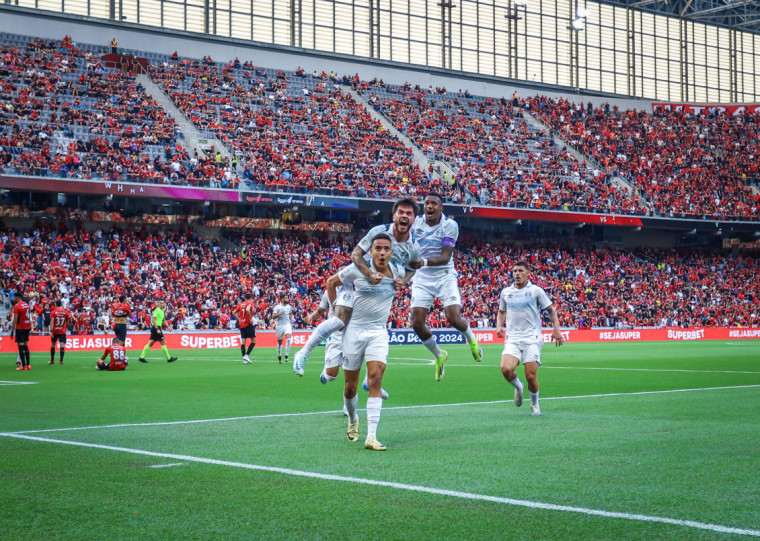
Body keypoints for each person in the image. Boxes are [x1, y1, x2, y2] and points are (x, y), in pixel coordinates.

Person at [293, 197, 419, 380]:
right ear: (394, 216)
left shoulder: (414, 246)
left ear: (414, 218)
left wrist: (403, 280)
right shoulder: (379, 231)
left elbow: (412, 269)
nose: (404, 216)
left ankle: (370, 380)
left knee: (375, 330)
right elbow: (356, 254)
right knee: (340, 319)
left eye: (409, 213)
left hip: (380, 290)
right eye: (401, 212)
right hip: (358, 280)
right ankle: (304, 353)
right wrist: (368, 274)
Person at [326, 233, 408, 450]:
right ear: (370, 251)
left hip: (379, 332)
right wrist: (338, 313)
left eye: (386, 249)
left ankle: (371, 436)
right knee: (350, 388)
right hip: (354, 331)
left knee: (375, 379)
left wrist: (403, 282)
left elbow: (412, 271)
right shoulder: (356, 270)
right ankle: (353, 418)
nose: (382, 252)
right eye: (378, 248)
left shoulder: (398, 270)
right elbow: (331, 282)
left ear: (392, 252)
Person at [409, 192, 483, 381]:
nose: (429, 206)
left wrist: (423, 262)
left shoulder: (450, 225)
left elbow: (445, 257)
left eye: (434, 203)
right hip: (422, 277)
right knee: (416, 323)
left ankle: (472, 339)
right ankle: (439, 355)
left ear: (441, 208)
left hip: (444, 275)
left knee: (453, 318)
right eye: (427, 203)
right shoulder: (415, 223)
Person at [496, 261, 564, 417]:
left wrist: (557, 330)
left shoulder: (536, 291)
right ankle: (519, 387)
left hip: (532, 339)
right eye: (514, 271)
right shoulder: (506, 292)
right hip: (512, 339)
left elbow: (551, 310)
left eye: (520, 271)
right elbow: (501, 312)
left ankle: (534, 404)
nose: (517, 274)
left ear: (528, 273)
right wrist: (499, 326)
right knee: (506, 369)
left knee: (531, 376)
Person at [11, 293, 32, 371]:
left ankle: (23, 366)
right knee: (26, 346)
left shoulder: (17, 306)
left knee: (20, 347)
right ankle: (28, 364)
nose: (13, 298)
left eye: (14, 297)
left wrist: (12, 330)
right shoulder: (26, 305)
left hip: (20, 328)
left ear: (18, 297)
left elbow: (15, 319)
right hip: (27, 327)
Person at [272, 294, 293, 364]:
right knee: (280, 342)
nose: (288, 299)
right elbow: (273, 316)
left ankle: (286, 355)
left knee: (289, 339)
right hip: (279, 325)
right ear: (282, 299)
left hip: (287, 324)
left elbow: (290, 313)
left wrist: (292, 318)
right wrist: (280, 314)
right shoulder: (277, 307)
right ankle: (279, 355)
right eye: (286, 298)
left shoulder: (289, 306)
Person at [235, 293, 256, 364]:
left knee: (243, 341)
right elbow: (247, 310)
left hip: (241, 324)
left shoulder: (241, 304)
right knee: (253, 341)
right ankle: (246, 355)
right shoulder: (250, 303)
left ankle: (244, 359)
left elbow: (234, 312)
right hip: (247, 323)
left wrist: (239, 319)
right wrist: (250, 318)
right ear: (250, 298)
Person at [49, 300, 70, 365]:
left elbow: (52, 322)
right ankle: (61, 361)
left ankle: (52, 360)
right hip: (62, 331)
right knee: (62, 345)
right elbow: (67, 323)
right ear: (61, 304)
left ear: (55, 304)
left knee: (53, 345)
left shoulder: (53, 312)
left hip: (55, 331)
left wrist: (51, 331)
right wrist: (66, 327)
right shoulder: (65, 312)